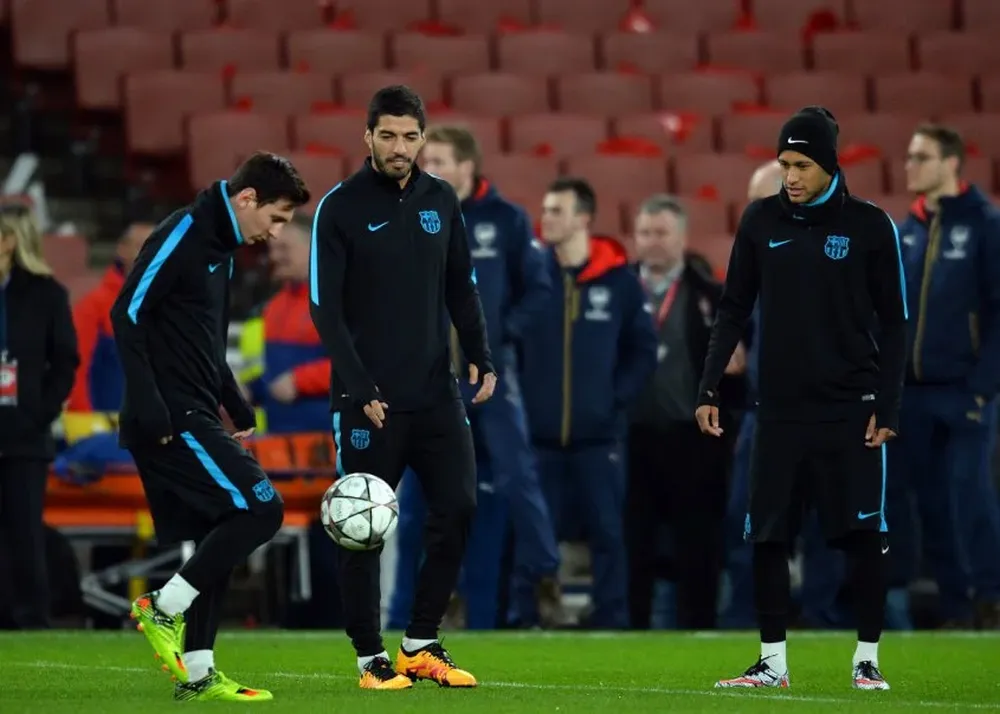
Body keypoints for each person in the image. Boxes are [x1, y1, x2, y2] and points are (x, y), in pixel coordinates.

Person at [696, 106, 907, 690]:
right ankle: (772, 664)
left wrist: (888, 406)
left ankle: (867, 660)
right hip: (780, 411)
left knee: (864, 536)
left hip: (851, 409)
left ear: (830, 165)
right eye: (785, 163)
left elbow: (896, 323)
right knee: (768, 535)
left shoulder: (870, 226)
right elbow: (734, 307)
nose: (790, 175)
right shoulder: (761, 221)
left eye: (802, 164)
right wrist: (710, 384)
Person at [309, 86, 495, 689]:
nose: (399, 147)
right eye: (386, 135)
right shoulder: (338, 207)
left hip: (434, 392)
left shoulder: (441, 198)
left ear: (423, 138)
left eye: (410, 136)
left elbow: (461, 285)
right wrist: (359, 385)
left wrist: (479, 353)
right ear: (367, 137)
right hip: (368, 400)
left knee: (460, 504)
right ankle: (370, 659)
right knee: (362, 526)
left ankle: (420, 641)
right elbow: (324, 309)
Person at [111, 152, 310, 702]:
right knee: (262, 508)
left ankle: (197, 674)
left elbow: (203, 343)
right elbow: (126, 312)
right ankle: (162, 607)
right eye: (275, 218)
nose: (274, 234)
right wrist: (149, 404)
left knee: (219, 529)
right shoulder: (186, 231)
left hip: (196, 406)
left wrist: (236, 403)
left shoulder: (221, 248)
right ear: (246, 199)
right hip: (172, 414)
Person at [389, 124, 559, 632]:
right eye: (427, 160)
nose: (430, 169)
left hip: (490, 376)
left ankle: (530, 584)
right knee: (418, 494)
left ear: (468, 166)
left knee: (507, 480)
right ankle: (407, 617)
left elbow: (540, 290)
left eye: (439, 160)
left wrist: (499, 340)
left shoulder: (506, 220)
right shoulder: (413, 213)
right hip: (431, 377)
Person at [520, 177, 658, 629]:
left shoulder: (620, 283)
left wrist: (613, 401)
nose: (547, 219)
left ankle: (612, 620)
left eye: (557, 210)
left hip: (599, 437)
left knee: (608, 534)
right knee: (531, 534)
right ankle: (525, 617)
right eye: (545, 210)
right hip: (537, 437)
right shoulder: (532, 278)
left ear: (583, 218)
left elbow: (642, 350)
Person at [890, 123, 1000, 628]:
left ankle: (991, 598)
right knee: (929, 505)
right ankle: (956, 607)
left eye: (920, 157)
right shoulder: (906, 229)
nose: (909, 165)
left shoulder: (984, 225)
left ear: (951, 163)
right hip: (912, 394)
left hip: (963, 391)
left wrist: (982, 387)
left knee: (969, 496)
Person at [625, 194, 738, 630]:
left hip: (694, 439)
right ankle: (632, 630)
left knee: (698, 542)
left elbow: (737, 368)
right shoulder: (618, 289)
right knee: (636, 541)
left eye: (661, 233)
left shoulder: (712, 295)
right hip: (633, 435)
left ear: (682, 237)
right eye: (645, 233)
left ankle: (701, 629)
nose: (652, 242)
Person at [0, 208, 79, 629]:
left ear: (8, 242)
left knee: (25, 529)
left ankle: (32, 617)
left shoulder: (47, 294)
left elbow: (65, 361)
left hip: (25, 434)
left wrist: (40, 412)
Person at [242, 211, 331, 434]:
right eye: (272, 248)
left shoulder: (342, 300)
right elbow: (276, 376)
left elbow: (366, 367)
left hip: (329, 440)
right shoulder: (274, 306)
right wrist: (249, 391)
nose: (274, 256)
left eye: (284, 248)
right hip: (281, 439)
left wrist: (300, 381)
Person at [67, 222, 150, 412]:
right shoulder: (94, 307)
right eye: (143, 246)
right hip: (105, 430)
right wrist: (88, 428)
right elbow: (74, 372)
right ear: (122, 250)